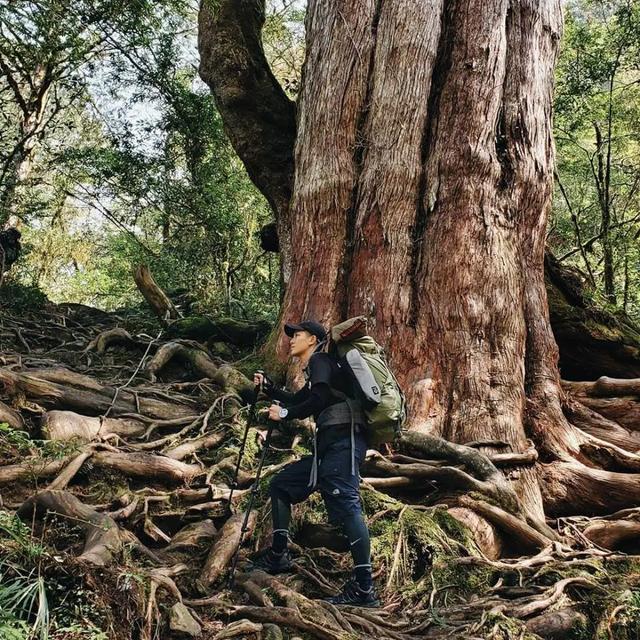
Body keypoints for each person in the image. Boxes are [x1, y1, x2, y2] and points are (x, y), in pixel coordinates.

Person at [248, 319, 379, 607]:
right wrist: (270, 389)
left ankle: (364, 589)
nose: (292, 339)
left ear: (313, 340)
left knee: (347, 504)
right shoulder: (320, 370)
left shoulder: (320, 360)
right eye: (291, 335)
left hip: (344, 444)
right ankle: (279, 554)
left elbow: (315, 400)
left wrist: (284, 414)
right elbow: (300, 399)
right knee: (282, 485)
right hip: (329, 449)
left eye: (298, 334)